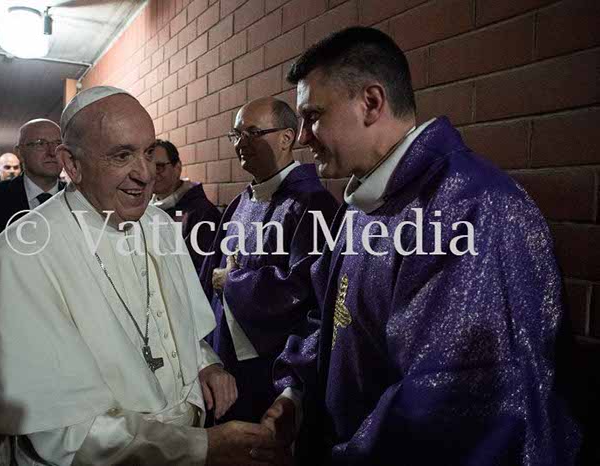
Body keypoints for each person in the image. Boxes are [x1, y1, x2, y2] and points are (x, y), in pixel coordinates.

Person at [260, 27, 580, 465]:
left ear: (371, 102)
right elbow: (335, 315)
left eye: (313, 115)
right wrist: (296, 394)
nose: (301, 138)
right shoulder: (362, 203)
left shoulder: (470, 208)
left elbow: (452, 401)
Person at [0, 86, 277, 466]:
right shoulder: (19, 258)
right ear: (72, 164)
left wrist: (205, 363)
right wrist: (201, 448)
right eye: (122, 155)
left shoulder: (159, 225)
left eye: (149, 152)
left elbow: (174, 322)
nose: (145, 174)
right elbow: (64, 432)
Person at [200, 97, 338, 424]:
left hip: (273, 370)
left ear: (287, 138)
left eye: (252, 133)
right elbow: (210, 273)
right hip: (225, 357)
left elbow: (307, 292)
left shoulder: (312, 203)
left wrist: (232, 282)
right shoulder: (240, 202)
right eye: (236, 135)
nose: (240, 143)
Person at [0, 119, 66, 294]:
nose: (51, 152)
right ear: (20, 153)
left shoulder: (80, 199)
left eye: (58, 143)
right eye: (40, 143)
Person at [150, 139, 221, 274]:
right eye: (149, 167)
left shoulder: (202, 214)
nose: (152, 174)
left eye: (159, 167)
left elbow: (198, 273)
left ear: (177, 168)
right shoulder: (145, 210)